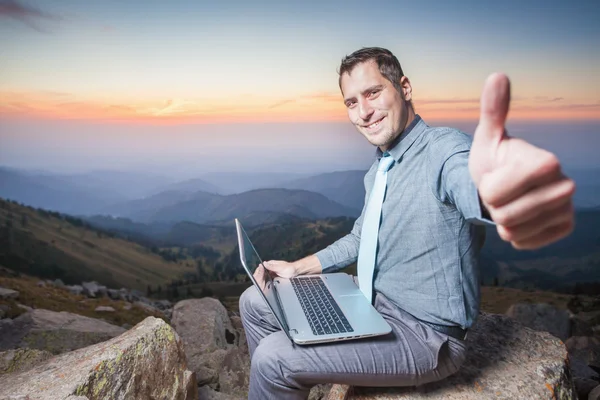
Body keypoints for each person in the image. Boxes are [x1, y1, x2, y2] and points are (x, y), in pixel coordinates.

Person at [239, 47, 575, 400]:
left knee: (272, 359)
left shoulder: (444, 149)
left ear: (405, 88)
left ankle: (284, 370)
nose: (364, 112)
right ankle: (287, 381)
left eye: (373, 93)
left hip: (425, 336)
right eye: (351, 102)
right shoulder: (381, 167)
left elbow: (470, 183)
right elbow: (361, 237)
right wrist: (297, 268)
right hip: (372, 300)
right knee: (254, 300)